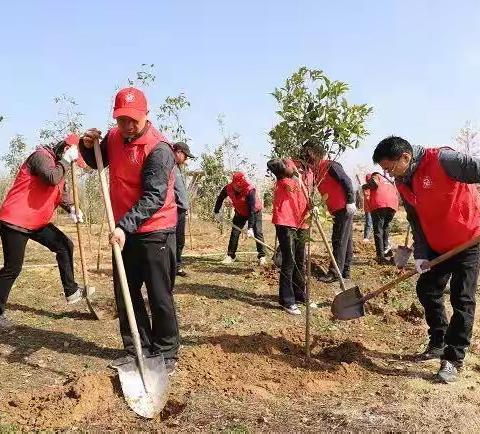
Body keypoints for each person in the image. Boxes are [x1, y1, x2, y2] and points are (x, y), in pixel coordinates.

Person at [79, 87, 180, 374]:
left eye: (134, 119)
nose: (128, 125)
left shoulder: (159, 149)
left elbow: (154, 196)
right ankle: (137, 348)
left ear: (146, 115)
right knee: (126, 292)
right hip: (122, 230)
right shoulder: (113, 137)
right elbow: (95, 160)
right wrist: (89, 146)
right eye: (122, 119)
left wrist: (125, 225)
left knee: (159, 294)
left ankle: (166, 351)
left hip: (155, 229)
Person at [373, 135, 480, 383]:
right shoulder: (403, 181)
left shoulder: (444, 160)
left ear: (405, 157)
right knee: (427, 290)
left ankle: (453, 358)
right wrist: (421, 254)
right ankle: (439, 341)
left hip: (467, 241)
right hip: (436, 247)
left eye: (390, 168)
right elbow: (415, 220)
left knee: (462, 299)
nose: (388, 175)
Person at [0, 134, 87, 327]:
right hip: (15, 221)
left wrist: (72, 207)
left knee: (64, 245)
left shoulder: (59, 165)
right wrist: (66, 160)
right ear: (65, 150)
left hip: (36, 222)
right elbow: (51, 179)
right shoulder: (40, 156)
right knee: (12, 268)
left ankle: (71, 291)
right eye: (73, 158)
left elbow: (61, 191)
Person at [303, 143, 356, 282]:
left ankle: (334, 273)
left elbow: (346, 180)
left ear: (314, 153)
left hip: (344, 208)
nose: (306, 159)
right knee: (346, 240)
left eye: (308, 155)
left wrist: (351, 200)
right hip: (336, 208)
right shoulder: (316, 172)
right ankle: (345, 271)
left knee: (338, 239)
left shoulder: (330, 165)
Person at [267, 158, 310, 315]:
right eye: (290, 166)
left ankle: (300, 295)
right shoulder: (283, 182)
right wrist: (292, 174)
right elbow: (273, 164)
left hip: (301, 222)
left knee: (300, 259)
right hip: (286, 223)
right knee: (289, 261)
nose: (294, 167)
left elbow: (304, 198)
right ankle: (287, 300)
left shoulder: (298, 181)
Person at [213, 172, 267, 265]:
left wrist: (250, 227)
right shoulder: (228, 188)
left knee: (258, 232)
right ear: (233, 183)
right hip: (240, 212)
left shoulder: (250, 189)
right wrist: (216, 211)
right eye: (238, 185)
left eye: (242, 185)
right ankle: (231, 256)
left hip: (255, 212)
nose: (240, 187)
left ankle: (262, 256)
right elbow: (220, 198)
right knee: (235, 232)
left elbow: (252, 209)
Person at [362, 172, 399, 264]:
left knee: (378, 230)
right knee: (385, 227)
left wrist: (365, 186)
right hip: (393, 205)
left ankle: (380, 256)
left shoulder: (376, 175)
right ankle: (386, 250)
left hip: (380, 204)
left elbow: (373, 184)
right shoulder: (387, 179)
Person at [172, 142, 194, 277]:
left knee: (180, 241)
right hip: (173, 211)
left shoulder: (178, 168)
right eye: (185, 156)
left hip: (180, 211)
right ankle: (171, 266)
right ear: (178, 152)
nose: (186, 159)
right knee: (172, 241)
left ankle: (177, 266)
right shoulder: (169, 166)